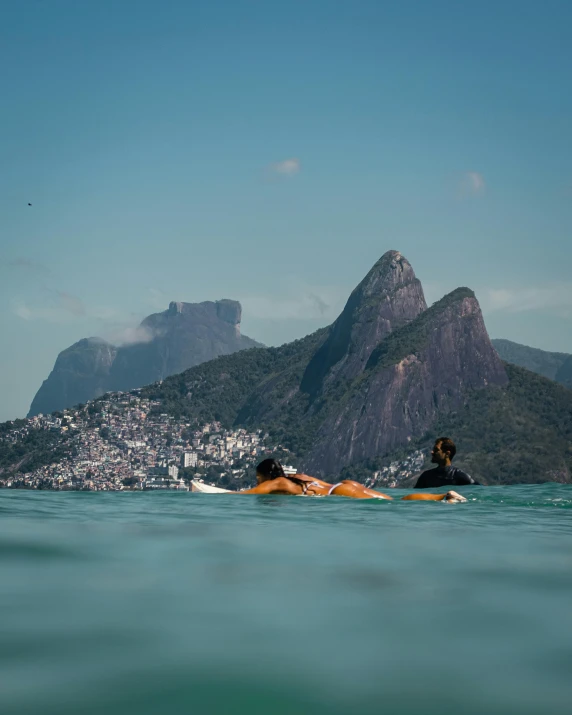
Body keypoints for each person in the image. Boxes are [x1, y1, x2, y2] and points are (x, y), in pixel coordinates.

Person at [238, 459, 466, 502]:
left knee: (395, 506)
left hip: (337, 494)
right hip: (344, 486)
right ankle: (444, 497)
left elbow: (248, 494)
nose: (260, 484)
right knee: (393, 503)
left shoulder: (279, 483)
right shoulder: (298, 477)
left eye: (260, 480)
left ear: (267, 476)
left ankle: (443, 497)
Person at [414, 437, 480, 489]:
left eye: (436, 450)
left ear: (447, 454)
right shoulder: (426, 476)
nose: (432, 452)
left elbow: (481, 490)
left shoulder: (459, 476)